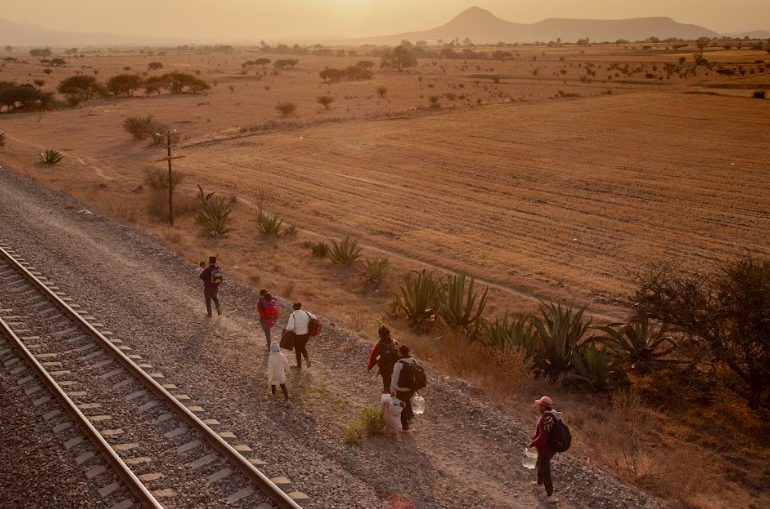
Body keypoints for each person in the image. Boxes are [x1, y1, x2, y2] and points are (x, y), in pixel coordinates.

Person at [528, 396, 563, 504]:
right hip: (551, 448)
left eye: (540, 405)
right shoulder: (552, 416)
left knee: (545, 470)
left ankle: (550, 495)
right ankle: (539, 484)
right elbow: (545, 432)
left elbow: (543, 437)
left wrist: (532, 443)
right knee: (540, 464)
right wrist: (536, 435)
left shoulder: (545, 419)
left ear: (543, 407)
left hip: (546, 449)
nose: (538, 407)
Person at [390, 345, 417, 431]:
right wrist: (417, 388)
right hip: (411, 388)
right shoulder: (414, 361)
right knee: (407, 400)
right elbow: (417, 375)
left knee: (401, 405)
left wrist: (392, 389)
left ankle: (404, 425)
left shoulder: (398, 364)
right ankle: (410, 416)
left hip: (401, 389)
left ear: (400, 353)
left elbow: (395, 378)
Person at [367, 326, 399, 394]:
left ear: (379, 334)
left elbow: (374, 357)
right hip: (395, 366)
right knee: (394, 381)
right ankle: (394, 394)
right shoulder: (394, 342)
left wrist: (369, 367)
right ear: (388, 333)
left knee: (386, 382)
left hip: (384, 367)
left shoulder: (379, 344)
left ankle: (387, 395)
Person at [285, 302, 316, 370]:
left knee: (298, 350)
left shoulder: (292, 315)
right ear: (300, 307)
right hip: (306, 335)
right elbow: (314, 318)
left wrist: (286, 330)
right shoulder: (306, 313)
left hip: (297, 336)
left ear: (293, 307)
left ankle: (299, 366)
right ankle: (308, 361)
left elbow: (290, 327)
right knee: (302, 347)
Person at [266, 341, 290, 405]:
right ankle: (287, 398)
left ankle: (273, 394)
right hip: (281, 374)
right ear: (278, 348)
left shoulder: (271, 358)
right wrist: (288, 370)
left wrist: (269, 378)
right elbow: (286, 363)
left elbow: (270, 369)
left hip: (274, 375)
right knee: (283, 386)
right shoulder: (282, 356)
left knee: (273, 384)